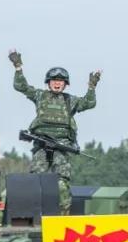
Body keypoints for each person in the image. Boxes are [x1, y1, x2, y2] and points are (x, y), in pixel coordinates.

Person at [9, 50, 100, 214]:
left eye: (60, 81)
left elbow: (89, 103)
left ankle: (62, 219)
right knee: (35, 182)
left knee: (62, 185)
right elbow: (20, 86)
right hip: (42, 146)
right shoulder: (40, 96)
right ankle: (31, 217)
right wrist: (18, 67)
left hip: (62, 147)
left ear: (65, 84)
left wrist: (92, 87)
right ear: (48, 83)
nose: (57, 84)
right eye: (54, 81)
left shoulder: (70, 100)